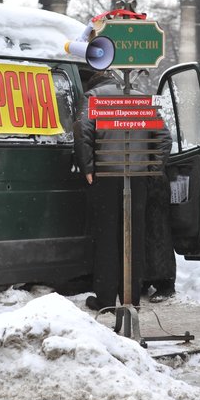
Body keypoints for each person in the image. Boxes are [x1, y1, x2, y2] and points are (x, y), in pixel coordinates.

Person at [74, 71, 172, 312]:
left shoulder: (94, 97)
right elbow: (164, 138)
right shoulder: (141, 99)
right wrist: (152, 169)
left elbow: (81, 130)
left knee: (107, 239)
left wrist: (87, 167)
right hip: (137, 178)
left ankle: (105, 299)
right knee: (134, 238)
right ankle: (132, 298)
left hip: (106, 177)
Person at [142, 173, 177, 303]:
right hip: (141, 177)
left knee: (158, 233)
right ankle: (145, 278)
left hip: (153, 179)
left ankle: (165, 282)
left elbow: (161, 154)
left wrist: (153, 170)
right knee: (143, 233)